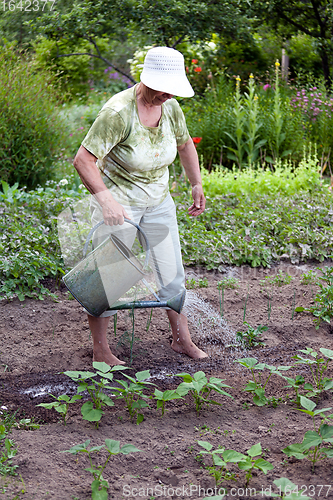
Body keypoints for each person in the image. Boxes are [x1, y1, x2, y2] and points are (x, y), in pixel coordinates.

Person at [73, 46, 208, 365]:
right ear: (148, 80)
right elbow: (83, 160)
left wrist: (196, 183)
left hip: (158, 203)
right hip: (120, 206)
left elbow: (185, 144)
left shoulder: (171, 108)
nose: (169, 96)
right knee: (107, 280)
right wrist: (105, 198)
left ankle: (181, 340)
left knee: (172, 275)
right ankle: (102, 351)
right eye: (165, 89)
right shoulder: (118, 112)